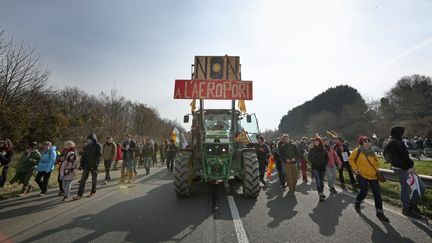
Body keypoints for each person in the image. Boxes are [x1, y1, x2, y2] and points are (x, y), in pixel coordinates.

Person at [385, 126, 427, 219]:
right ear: (398, 132)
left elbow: (405, 156)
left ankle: (412, 204)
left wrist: (411, 166)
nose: (404, 133)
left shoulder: (398, 141)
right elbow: (394, 160)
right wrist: (407, 168)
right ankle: (406, 208)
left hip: (407, 168)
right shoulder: (392, 142)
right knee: (406, 188)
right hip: (401, 169)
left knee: (422, 187)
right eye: (402, 132)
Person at [350, 136, 389, 222]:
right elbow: (351, 159)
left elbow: (376, 161)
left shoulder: (372, 152)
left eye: (369, 141)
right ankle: (357, 202)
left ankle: (380, 213)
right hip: (361, 175)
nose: (368, 143)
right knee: (364, 191)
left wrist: (376, 168)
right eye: (365, 141)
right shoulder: (357, 151)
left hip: (373, 175)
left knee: (377, 195)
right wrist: (355, 169)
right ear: (361, 143)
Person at [74, 133, 102, 200]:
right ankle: (79, 194)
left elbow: (99, 156)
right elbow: (83, 156)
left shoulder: (98, 145)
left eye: (90, 139)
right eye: (88, 139)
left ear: (93, 139)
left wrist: (96, 165)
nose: (88, 141)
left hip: (94, 166)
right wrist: (81, 164)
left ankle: (93, 191)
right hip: (86, 165)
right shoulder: (87, 146)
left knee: (94, 180)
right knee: (82, 180)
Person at [308, 137, 328, 202]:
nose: (316, 142)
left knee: (321, 182)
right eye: (315, 142)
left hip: (322, 168)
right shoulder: (312, 149)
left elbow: (327, 158)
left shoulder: (324, 149)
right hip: (315, 167)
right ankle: (320, 194)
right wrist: (312, 161)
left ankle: (321, 192)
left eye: (317, 141)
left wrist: (325, 163)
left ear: (319, 142)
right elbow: (309, 157)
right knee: (318, 181)